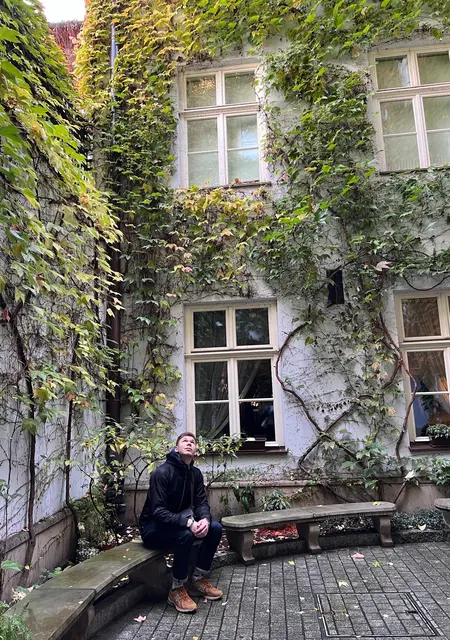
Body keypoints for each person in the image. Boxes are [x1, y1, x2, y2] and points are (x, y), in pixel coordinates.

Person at [139, 432, 223, 613]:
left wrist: (204, 520)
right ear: (176, 448)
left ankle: (197, 579)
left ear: (195, 450)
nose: (189, 443)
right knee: (185, 535)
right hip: (153, 528)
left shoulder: (195, 474)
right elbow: (158, 512)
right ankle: (176, 589)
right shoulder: (161, 473)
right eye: (185, 441)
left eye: (192, 442)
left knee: (215, 528)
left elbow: (201, 503)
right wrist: (188, 524)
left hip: (179, 524)